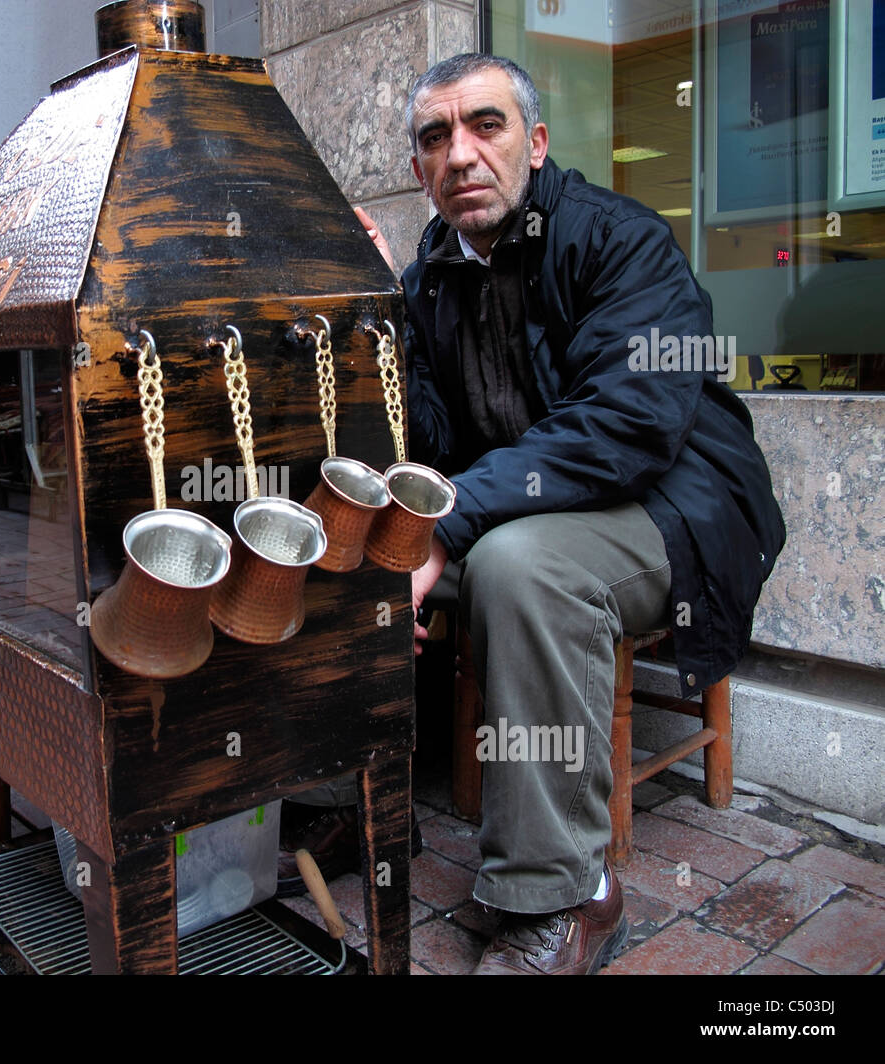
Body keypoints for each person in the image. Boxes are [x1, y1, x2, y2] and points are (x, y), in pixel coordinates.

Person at [282, 53, 785, 975]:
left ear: (537, 144)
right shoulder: (431, 272)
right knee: (346, 540)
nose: (461, 154)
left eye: (487, 125)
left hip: (672, 504)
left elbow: (629, 423)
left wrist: (446, 526)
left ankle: (564, 897)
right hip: (518, 508)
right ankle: (341, 799)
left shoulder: (618, 237)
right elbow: (424, 436)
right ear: (418, 167)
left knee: (521, 567)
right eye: (436, 137)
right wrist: (369, 314)